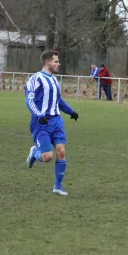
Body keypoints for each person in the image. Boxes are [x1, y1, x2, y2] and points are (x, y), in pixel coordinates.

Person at [25, 50, 79, 196]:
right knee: (47, 157)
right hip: (41, 122)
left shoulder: (55, 80)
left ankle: (57, 187)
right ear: (47, 62)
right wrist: (39, 114)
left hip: (56, 121)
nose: (58, 64)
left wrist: (71, 112)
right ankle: (34, 152)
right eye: (56, 61)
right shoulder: (35, 79)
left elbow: (58, 100)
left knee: (61, 152)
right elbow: (29, 100)